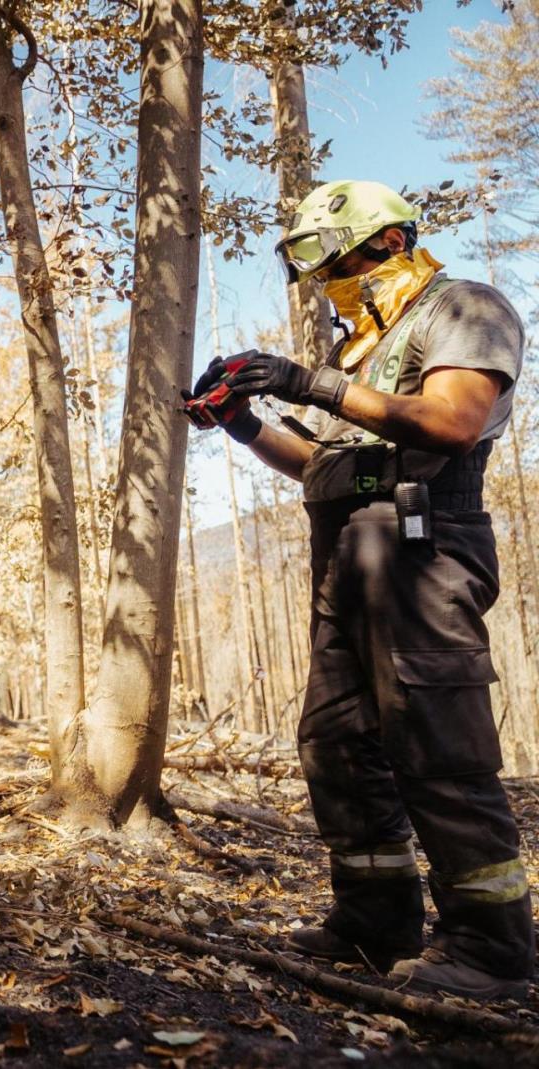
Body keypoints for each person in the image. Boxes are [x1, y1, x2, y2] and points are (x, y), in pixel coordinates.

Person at [185, 179, 532, 1000]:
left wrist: (311, 381)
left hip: (424, 543)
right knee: (336, 740)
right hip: (348, 549)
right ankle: (374, 922)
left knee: (437, 745)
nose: (325, 280)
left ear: (382, 241)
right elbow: (324, 463)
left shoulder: (463, 307)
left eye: (330, 259)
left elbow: (451, 421)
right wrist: (237, 419)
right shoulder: (364, 346)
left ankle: (489, 946)